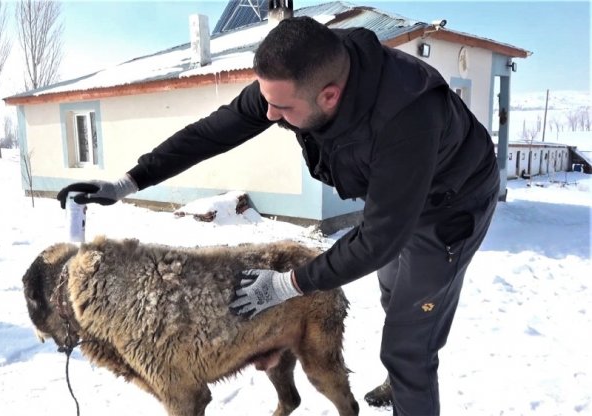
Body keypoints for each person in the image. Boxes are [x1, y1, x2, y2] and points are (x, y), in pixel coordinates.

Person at [56, 16, 499, 415]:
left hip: (448, 208)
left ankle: (408, 379)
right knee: (393, 294)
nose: (269, 115)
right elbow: (214, 132)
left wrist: (287, 284)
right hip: (392, 198)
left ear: (330, 95)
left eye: (282, 109)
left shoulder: (407, 116)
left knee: (409, 342)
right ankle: (400, 377)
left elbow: (380, 239)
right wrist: (131, 181)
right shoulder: (300, 72)